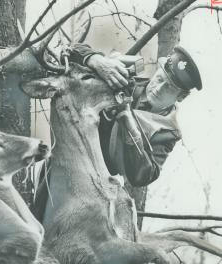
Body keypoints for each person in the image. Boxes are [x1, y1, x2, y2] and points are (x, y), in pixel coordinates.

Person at [68, 43, 202, 187]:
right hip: (71, 158)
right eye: (160, 79)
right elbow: (71, 51)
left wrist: (131, 130)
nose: (158, 88)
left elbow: (144, 177)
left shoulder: (169, 132)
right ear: (156, 71)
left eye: (169, 88)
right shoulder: (126, 81)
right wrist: (97, 61)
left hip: (102, 185)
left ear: (181, 97)